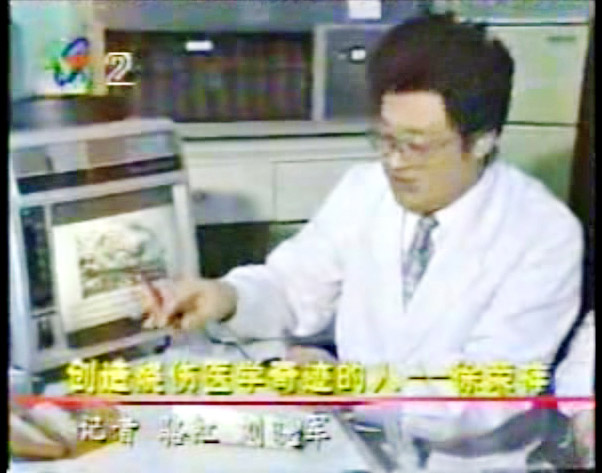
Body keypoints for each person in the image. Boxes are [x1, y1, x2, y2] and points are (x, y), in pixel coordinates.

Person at [140, 12, 585, 467]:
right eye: (385, 138)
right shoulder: (364, 190)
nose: (395, 162)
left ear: (483, 141)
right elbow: (294, 285)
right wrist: (227, 297)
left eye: (416, 145)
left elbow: (488, 389)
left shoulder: (543, 234)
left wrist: (349, 384)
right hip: (363, 447)